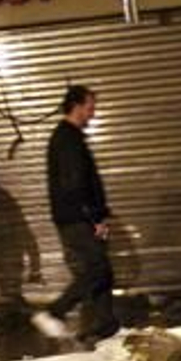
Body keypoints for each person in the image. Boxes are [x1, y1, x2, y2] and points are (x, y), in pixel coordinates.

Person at [34, 85, 119, 341]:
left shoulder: (70, 137)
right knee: (97, 268)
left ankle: (106, 327)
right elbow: (74, 184)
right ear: (77, 106)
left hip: (79, 216)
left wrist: (99, 215)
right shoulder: (67, 140)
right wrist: (94, 218)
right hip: (76, 218)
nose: (93, 113)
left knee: (102, 270)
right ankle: (53, 312)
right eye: (90, 108)